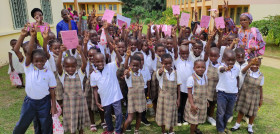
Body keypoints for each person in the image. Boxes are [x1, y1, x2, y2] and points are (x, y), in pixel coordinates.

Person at [13, 25, 57, 134]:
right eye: (36, 61)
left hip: (44, 102)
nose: (39, 63)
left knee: (46, 125)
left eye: (42, 61)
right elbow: (20, 51)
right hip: (30, 102)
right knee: (22, 124)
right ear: (32, 61)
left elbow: (52, 90)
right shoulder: (28, 67)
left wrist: (53, 106)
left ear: (45, 60)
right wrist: (27, 35)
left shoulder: (48, 72)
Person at [90, 42, 123, 134]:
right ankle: (109, 129)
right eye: (98, 61)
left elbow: (120, 60)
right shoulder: (93, 75)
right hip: (105, 98)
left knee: (119, 114)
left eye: (102, 61)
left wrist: (116, 50)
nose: (100, 63)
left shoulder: (111, 67)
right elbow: (95, 89)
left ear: (105, 60)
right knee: (107, 115)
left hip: (116, 96)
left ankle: (117, 130)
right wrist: (97, 101)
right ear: (94, 62)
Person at [231, 57, 264, 134]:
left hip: (255, 96)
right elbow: (242, 71)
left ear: (260, 65)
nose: (255, 66)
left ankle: (250, 127)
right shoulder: (247, 71)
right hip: (245, 94)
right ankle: (237, 125)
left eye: (257, 65)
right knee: (242, 110)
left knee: (252, 112)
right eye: (253, 64)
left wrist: (261, 99)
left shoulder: (261, 75)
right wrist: (250, 64)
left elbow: (260, 87)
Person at [156, 54, 181, 134]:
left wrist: (178, 99)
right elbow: (158, 75)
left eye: (170, 63)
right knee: (163, 114)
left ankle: (171, 130)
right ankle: (163, 131)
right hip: (163, 98)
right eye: (165, 64)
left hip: (173, 97)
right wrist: (160, 72)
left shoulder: (176, 73)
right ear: (162, 63)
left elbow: (178, 86)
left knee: (171, 114)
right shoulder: (160, 72)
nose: (168, 65)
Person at [216, 50, 240, 134]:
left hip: (233, 94)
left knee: (228, 113)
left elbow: (237, 78)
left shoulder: (237, 67)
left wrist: (237, 89)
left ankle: (224, 126)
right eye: (228, 60)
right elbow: (221, 70)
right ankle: (220, 130)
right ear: (223, 59)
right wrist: (226, 68)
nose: (231, 62)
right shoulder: (220, 66)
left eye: (233, 60)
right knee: (221, 112)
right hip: (222, 93)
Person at [122, 54, 147, 134]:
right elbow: (127, 74)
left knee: (139, 116)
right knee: (130, 118)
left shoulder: (140, 74)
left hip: (140, 98)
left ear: (140, 66)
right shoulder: (129, 74)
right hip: (132, 99)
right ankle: (122, 131)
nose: (135, 67)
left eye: (137, 66)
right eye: (133, 65)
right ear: (130, 65)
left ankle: (136, 130)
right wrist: (127, 72)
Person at [184, 59, 208, 134]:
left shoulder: (205, 77)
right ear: (194, 68)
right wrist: (192, 105)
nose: (200, 69)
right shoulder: (191, 79)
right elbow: (189, 93)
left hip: (202, 102)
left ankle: (195, 129)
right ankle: (192, 132)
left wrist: (206, 100)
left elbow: (205, 89)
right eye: (198, 67)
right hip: (194, 103)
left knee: (199, 119)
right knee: (194, 121)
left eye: (203, 67)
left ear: (205, 68)